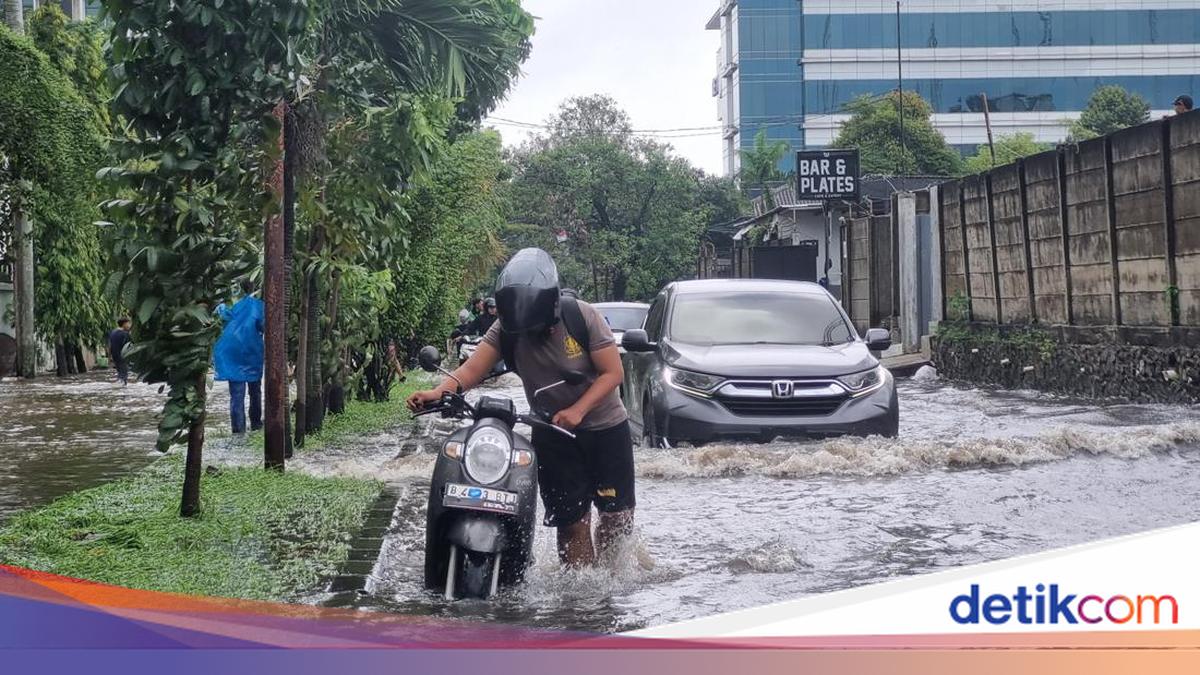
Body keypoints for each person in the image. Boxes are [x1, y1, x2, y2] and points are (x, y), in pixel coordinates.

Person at [408, 248, 635, 568]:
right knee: (572, 522)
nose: (530, 335)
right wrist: (436, 392)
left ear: (552, 307)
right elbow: (471, 372)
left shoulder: (582, 317)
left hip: (605, 429)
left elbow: (613, 373)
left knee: (616, 517)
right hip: (551, 432)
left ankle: (613, 580)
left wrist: (578, 410)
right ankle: (583, 598)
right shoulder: (505, 330)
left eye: (537, 328)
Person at [213, 278, 264, 434]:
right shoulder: (257, 306)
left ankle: (238, 431)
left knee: (236, 394)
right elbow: (264, 326)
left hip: (229, 354)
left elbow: (213, 326)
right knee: (255, 390)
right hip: (251, 351)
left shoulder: (223, 307)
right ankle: (256, 424)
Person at [107, 317, 132, 386]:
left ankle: (118, 386)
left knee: (120, 374)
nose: (129, 325)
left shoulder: (112, 332)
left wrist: (109, 358)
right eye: (128, 323)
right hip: (123, 357)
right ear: (124, 324)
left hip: (115, 357)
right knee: (124, 376)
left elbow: (109, 346)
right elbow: (129, 347)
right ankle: (121, 389)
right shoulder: (125, 334)